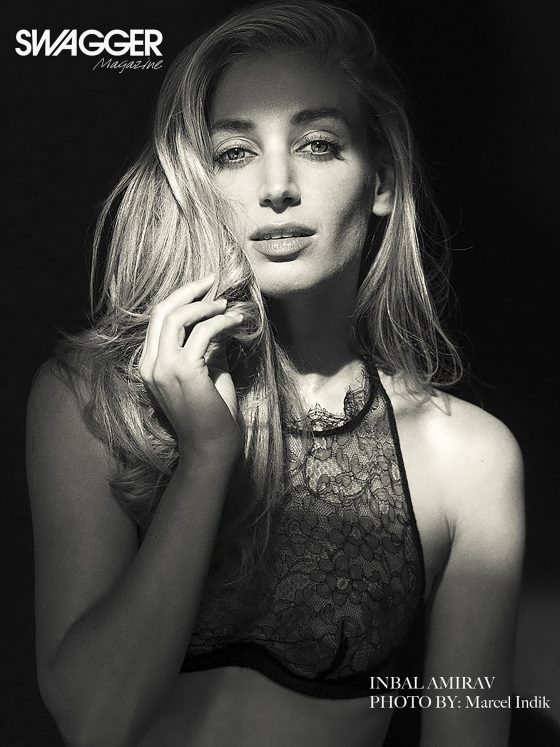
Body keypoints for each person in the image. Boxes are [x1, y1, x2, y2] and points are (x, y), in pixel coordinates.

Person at [26, 2, 525, 745]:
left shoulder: (469, 460)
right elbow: (94, 720)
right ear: (198, 183)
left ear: (382, 180)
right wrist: (206, 458)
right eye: (235, 152)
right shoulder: (93, 400)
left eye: (318, 144)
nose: (277, 186)